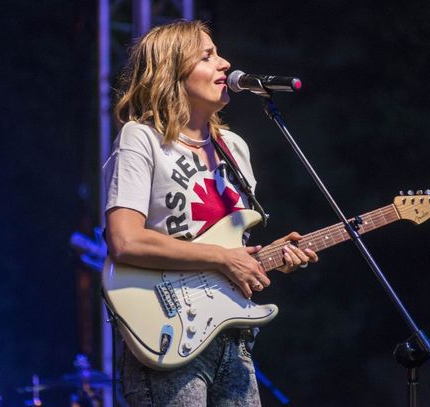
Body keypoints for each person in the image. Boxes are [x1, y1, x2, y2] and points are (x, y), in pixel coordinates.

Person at [103, 20, 318, 406]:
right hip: (168, 334)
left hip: (234, 342)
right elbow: (125, 240)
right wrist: (222, 257)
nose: (225, 63)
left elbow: (231, 254)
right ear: (171, 72)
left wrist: (269, 258)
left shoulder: (234, 147)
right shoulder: (142, 138)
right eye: (207, 56)